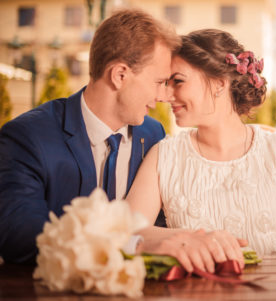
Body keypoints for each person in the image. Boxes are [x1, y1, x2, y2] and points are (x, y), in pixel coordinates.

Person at [0, 9, 245, 266]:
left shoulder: (153, 135)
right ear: (120, 75)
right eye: (159, 82)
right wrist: (134, 246)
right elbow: (20, 237)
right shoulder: (27, 137)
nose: (164, 96)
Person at [127, 29, 276, 279]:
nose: (164, 95)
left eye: (178, 81)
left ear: (219, 83)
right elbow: (125, 230)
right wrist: (189, 239)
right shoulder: (164, 156)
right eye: (165, 83)